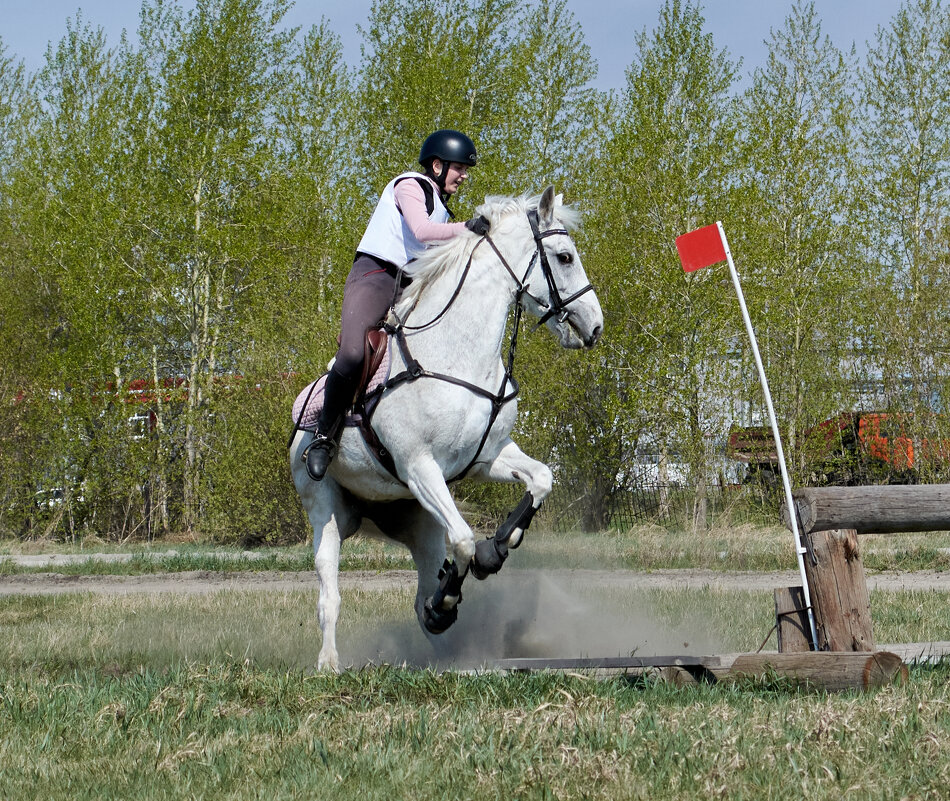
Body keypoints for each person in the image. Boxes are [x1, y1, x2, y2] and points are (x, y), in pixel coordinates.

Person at [303, 129, 490, 480]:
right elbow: (420, 231)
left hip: (409, 284)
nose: (464, 176)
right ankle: (323, 437)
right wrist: (467, 228)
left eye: (466, 170)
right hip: (375, 275)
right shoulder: (410, 185)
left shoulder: (441, 208)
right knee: (354, 355)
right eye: (460, 168)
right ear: (437, 165)